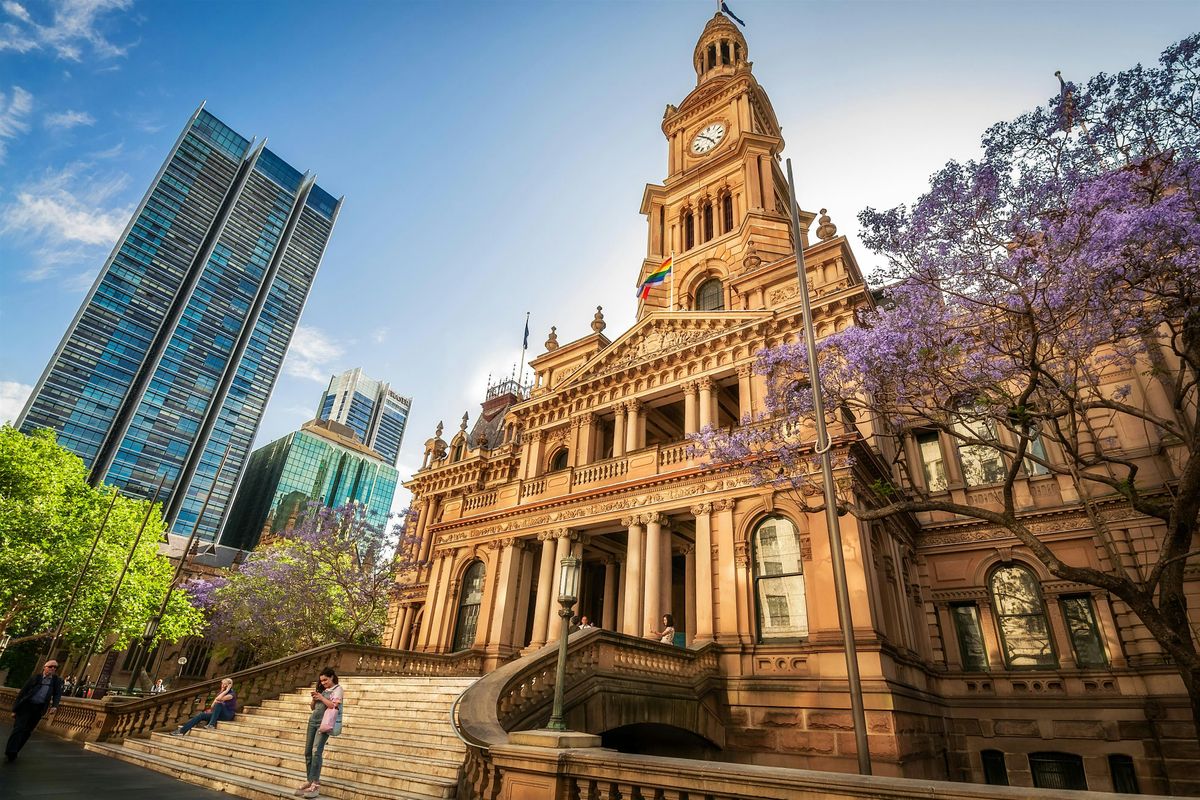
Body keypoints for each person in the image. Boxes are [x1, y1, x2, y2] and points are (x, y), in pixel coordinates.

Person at [5, 660, 64, 762]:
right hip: (26, 707)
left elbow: (57, 694)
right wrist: (15, 709)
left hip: (39, 709)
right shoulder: (35, 678)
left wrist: (54, 706)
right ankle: (11, 751)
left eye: (55, 668)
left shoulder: (56, 681)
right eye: (51, 667)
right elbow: (22, 693)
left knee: (27, 731)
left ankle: (15, 751)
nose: (53, 669)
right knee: (19, 729)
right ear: (44, 667)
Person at [297, 667, 343, 798]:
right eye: (321, 681)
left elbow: (334, 706)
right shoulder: (321, 689)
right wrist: (314, 699)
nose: (323, 683)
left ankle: (315, 784)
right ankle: (309, 780)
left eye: (325, 680)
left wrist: (322, 697)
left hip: (324, 724)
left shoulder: (338, 689)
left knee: (316, 752)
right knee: (307, 752)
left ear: (332, 677)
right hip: (312, 722)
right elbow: (312, 708)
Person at [170, 677, 236, 735]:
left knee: (219, 703)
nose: (222, 685)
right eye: (222, 684)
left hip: (227, 715)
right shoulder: (221, 693)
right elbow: (212, 706)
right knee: (201, 715)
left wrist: (226, 690)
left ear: (229, 686)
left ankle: (211, 725)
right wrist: (221, 692)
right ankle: (181, 731)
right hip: (218, 714)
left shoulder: (231, 695)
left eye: (224, 684)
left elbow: (218, 700)